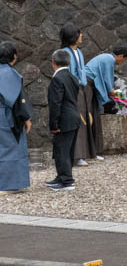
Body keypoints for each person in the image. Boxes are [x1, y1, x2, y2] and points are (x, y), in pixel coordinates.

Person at [60, 24, 98, 166]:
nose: (81, 36)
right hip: (72, 90)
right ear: (73, 36)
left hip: (82, 88)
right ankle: (76, 156)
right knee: (77, 120)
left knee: (85, 119)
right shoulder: (65, 53)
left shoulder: (79, 52)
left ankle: (85, 153)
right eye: (79, 34)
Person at [0, 42, 32, 194]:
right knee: (10, 148)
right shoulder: (10, 74)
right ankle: (8, 185)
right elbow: (17, 101)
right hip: (5, 116)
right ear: (13, 57)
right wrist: (26, 118)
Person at [47, 49, 80, 191]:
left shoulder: (57, 79)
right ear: (69, 62)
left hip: (64, 118)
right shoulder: (73, 77)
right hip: (74, 116)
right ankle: (62, 176)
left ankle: (67, 180)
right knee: (67, 150)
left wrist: (53, 123)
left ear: (53, 62)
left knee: (61, 150)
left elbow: (55, 103)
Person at [83, 45, 127, 115]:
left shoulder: (107, 57)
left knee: (94, 107)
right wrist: (117, 96)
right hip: (87, 81)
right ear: (121, 56)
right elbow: (107, 79)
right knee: (87, 108)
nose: (123, 62)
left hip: (89, 81)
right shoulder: (110, 59)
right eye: (125, 59)